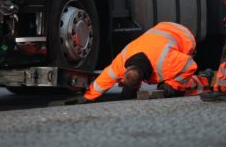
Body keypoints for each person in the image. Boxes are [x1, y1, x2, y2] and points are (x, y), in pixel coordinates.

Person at [77, 22, 213, 104]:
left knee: (174, 87)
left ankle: (204, 79)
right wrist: (87, 97)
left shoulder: (164, 62)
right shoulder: (122, 60)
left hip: (183, 37)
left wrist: (172, 84)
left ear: (140, 82)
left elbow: (191, 65)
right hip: (161, 32)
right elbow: (105, 78)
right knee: (167, 82)